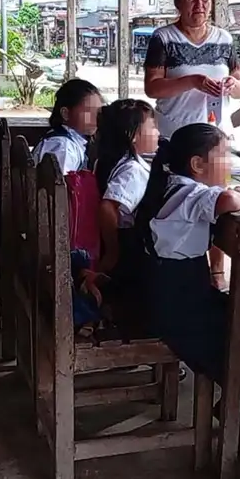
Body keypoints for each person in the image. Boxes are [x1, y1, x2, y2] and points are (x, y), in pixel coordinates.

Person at [133, 122, 240, 466]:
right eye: (224, 155)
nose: (229, 162)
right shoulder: (193, 194)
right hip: (180, 308)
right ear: (197, 164)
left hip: (172, 293)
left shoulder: (173, 185)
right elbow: (230, 199)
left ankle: (239, 406)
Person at [143, 0, 240, 136]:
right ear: (177, 3)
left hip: (216, 135)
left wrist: (232, 85)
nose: (199, 4)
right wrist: (192, 81)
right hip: (174, 135)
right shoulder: (163, 38)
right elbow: (152, 88)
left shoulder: (224, 39)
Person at [93, 99, 160, 332]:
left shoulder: (112, 160)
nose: (157, 132)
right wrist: (112, 251)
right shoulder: (132, 171)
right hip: (127, 247)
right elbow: (108, 207)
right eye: (152, 126)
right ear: (133, 136)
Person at [31, 79, 104, 174]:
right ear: (65, 113)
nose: (95, 117)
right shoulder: (63, 147)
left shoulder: (68, 141)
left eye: (98, 112)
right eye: (88, 111)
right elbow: (59, 182)